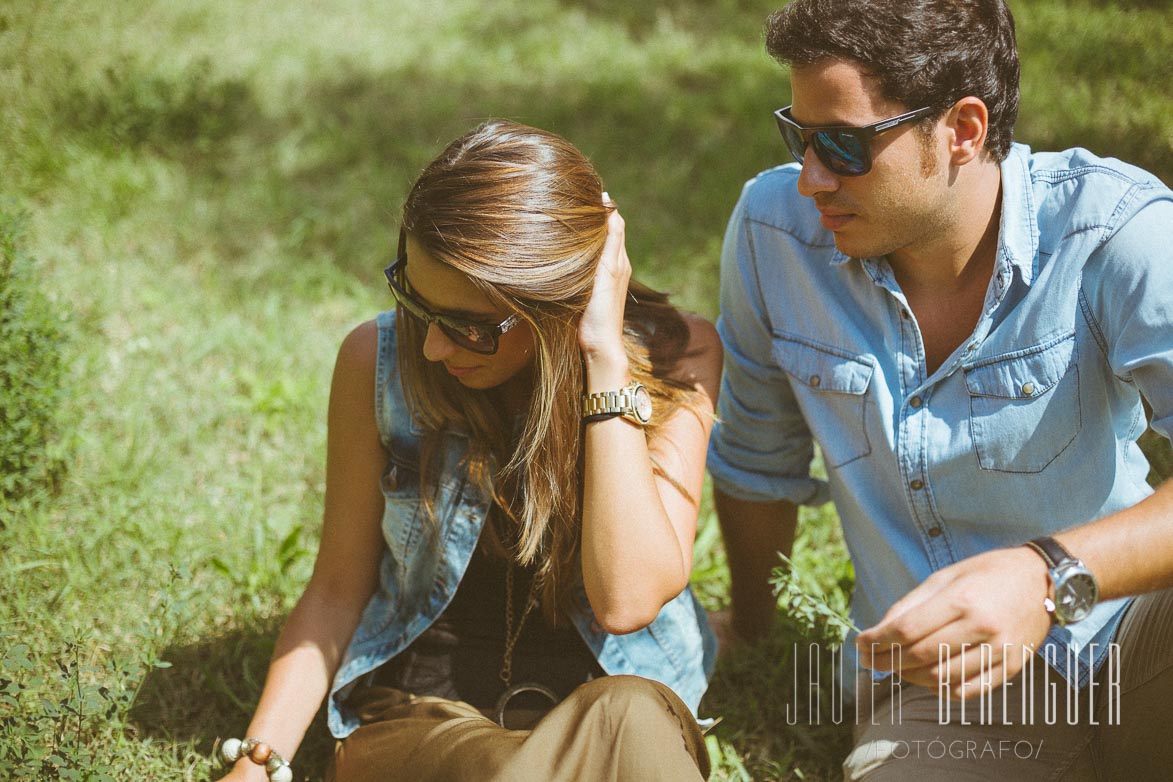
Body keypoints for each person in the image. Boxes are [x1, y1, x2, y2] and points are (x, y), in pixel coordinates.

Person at [707, 1, 1173, 778]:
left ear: (960, 129)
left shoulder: (1113, 232)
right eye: (799, 137)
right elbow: (756, 460)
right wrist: (753, 633)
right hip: (941, 691)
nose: (811, 178)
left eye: (843, 146)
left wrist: (1042, 575)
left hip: (1128, 635)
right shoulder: (772, 233)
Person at [216, 120, 721, 782]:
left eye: (469, 328)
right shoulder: (376, 361)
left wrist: (601, 358)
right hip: (423, 715)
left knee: (628, 714)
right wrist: (259, 762)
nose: (431, 347)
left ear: (559, 304)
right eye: (417, 304)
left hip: (608, 701)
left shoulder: (674, 357)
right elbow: (338, 587)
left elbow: (626, 601)